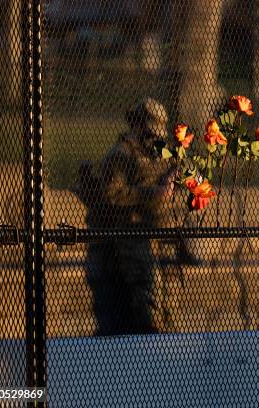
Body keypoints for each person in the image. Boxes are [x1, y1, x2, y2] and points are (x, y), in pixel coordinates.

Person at [78, 97, 176, 336]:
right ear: (138, 125)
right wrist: (153, 193)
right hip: (124, 237)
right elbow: (112, 194)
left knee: (151, 305)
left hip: (148, 234)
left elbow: (172, 171)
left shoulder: (157, 150)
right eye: (149, 130)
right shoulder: (120, 153)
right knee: (131, 309)